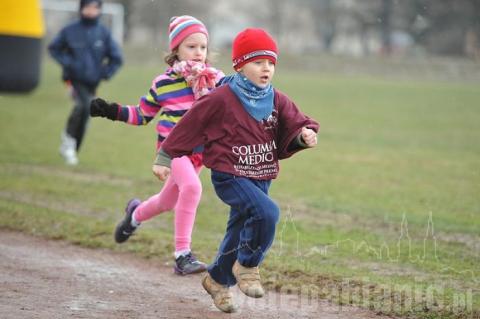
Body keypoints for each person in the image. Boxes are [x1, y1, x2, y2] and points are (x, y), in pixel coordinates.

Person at [153, 28, 319, 312]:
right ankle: (248, 265)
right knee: (267, 213)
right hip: (229, 173)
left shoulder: (276, 98)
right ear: (239, 65)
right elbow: (190, 123)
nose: (266, 68)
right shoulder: (222, 96)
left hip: (261, 173)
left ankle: (217, 279)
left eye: (270, 63)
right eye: (257, 62)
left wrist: (303, 135)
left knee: (239, 227)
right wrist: (165, 156)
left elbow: (296, 122)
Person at [89, 16, 225, 275]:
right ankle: (182, 255)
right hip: (172, 151)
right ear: (176, 49)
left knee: (166, 202)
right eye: (191, 46)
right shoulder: (163, 83)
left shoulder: (216, 81)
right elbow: (142, 114)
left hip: (198, 154)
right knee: (193, 189)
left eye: (202, 47)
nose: (198, 53)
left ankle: (134, 215)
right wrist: (110, 110)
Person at [48, 0, 123, 165]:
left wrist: (105, 73)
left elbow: (117, 58)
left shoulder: (103, 33)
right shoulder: (70, 30)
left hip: (92, 82)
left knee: (87, 111)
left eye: (95, 8)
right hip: (74, 79)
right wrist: (69, 64)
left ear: (99, 10)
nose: (91, 11)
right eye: (88, 7)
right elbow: (54, 48)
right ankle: (68, 141)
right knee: (82, 106)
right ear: (81, 8)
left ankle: (72, 148)